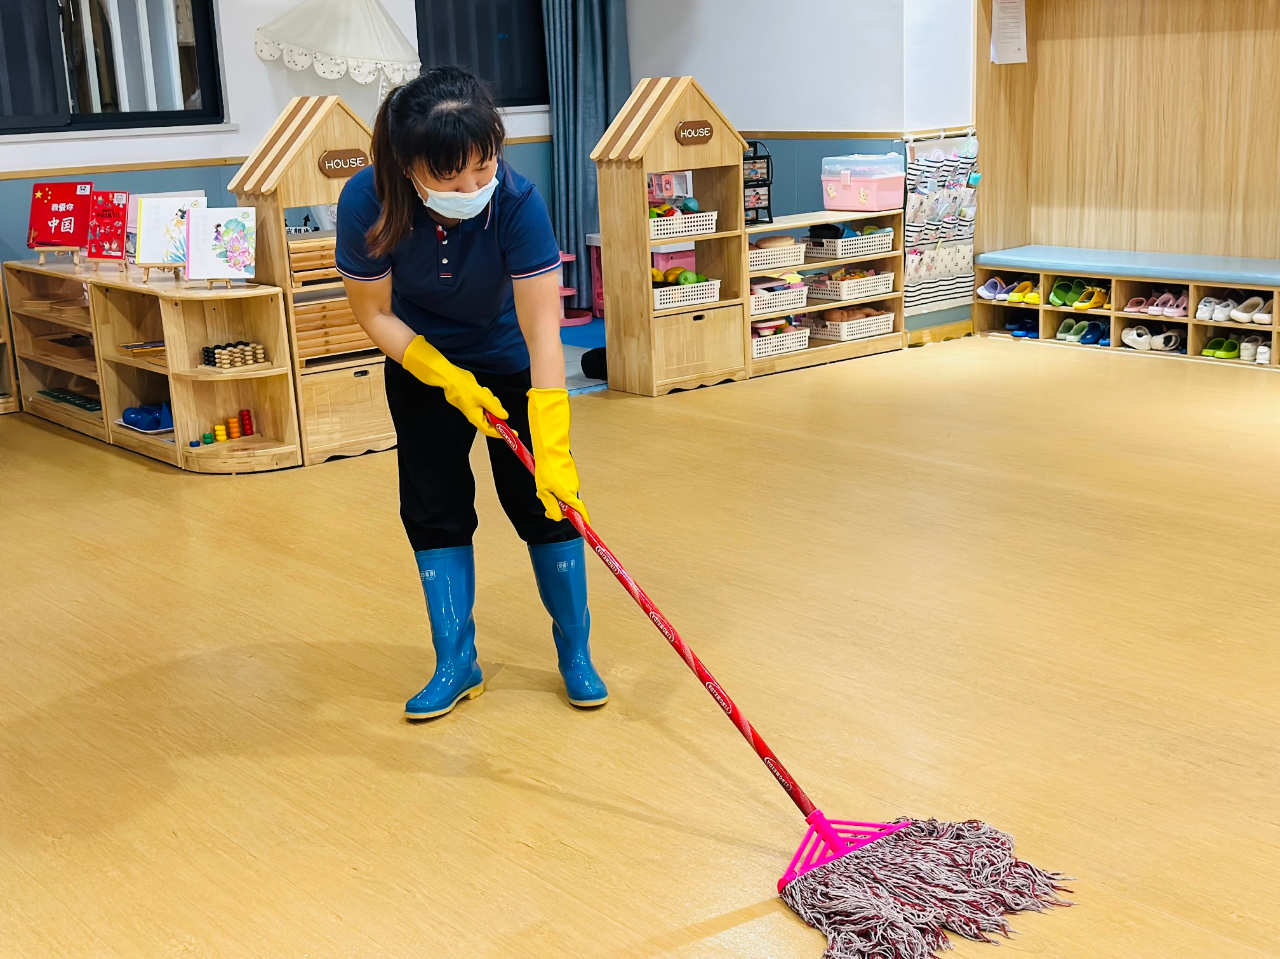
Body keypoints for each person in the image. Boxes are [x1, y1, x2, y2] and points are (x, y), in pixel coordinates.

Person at [336, 66, 606, 721]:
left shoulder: (517, 201)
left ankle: (575, 653)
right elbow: (373, 312)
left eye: (483, 169)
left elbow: (545, 332)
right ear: (407, 165)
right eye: (452, 178)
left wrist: (555, 445)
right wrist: (442, 374)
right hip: (420, 360)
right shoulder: (367, 201)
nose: (473, 188)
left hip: (511, 361)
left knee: (543, 506)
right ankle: (457, 662)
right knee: (434, 506)